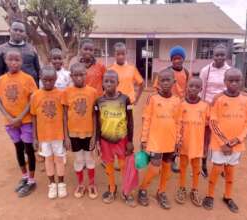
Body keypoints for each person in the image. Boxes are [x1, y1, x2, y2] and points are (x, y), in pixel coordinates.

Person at [202, 68, 247, 213]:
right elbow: (213, 122)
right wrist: (224, 143)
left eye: (237, 81)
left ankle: (228, 196)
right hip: (219, 145)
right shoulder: (218, 99)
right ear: (224, 82)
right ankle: (210, 195)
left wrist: (235, 141)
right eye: (230, 81)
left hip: (236, 145)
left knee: (230, 171)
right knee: (217, 169)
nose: (234, 84)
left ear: (242, 82)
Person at [0, 49, 37, 197]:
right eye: (10, 59)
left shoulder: (28, 79)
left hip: (25, 121)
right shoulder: (1, 80)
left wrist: (20, 117)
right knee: (18, 149)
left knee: (29, 150)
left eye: (17, 59)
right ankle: (24, 177)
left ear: (21, 61)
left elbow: (32, 100)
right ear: (5, 61)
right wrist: (11, 118)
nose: (14, 62)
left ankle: (32, 180)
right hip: (10, 123)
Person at [138, 68, 180, 210]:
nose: (165, 83)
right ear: (158, 82)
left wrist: (178, 141)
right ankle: (143, 189)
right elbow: (146, 119)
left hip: (170, 140)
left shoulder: (177, 101)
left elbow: (178, 122)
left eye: (168, 80)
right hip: (155, 139)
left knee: (167, 165)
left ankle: (161, 191)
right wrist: (143, 139)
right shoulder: (153, 99)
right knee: (155, 167)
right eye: (162, 80)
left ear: (174, 82)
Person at [94, 70, 135, 207]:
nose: (109, 83)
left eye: (112, 81)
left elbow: (130, 121)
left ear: (118, 83)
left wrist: (130, 141)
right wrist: (97, 141)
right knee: (109, 166)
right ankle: (112, 188)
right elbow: (97, 123)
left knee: (124, 166)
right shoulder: (99, 101)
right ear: (103, 84)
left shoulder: (125, 99)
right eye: (106, 81)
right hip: (105, 140)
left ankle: (126, 191)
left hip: (122, 140)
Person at [31, 66, 68, 199]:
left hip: (58, 135)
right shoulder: (35, 96)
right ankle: (52, 184)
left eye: (51, 80)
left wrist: (66, 136)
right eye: (45, 80)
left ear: (56, 79)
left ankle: (61, 184)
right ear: (40, 79)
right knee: (48, 159)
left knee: (59, 159)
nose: (48, 83)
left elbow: (64, 116)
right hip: (43, 136)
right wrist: (35, 137)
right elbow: (34, 117)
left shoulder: (61, 94)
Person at [62, 63, 98, 199]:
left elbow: (95, 116)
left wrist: (95, 136)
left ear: (85, 75)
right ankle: (81, 184)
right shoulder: (66, 92)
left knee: (89, 158)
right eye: (75, 75)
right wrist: (66, 136)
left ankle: (92, 184)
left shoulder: (93, 92)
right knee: (78, 159)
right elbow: (65, 116)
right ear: (71, 76)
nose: (78, 78)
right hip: (73, 134)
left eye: (81, 74)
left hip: (89, 133)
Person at [153, 45, 190, 173]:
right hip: (166, 106)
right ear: (171, 60)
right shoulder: (166, 72)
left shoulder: (186, 72)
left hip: (180, 107)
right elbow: (157, 88)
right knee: (164, 130)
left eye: (179, 58)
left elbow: (188, 88)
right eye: (174, 58)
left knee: (177, 133)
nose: (177, 61)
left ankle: (172, 159)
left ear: (183, 59)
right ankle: (159, 156)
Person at [175, 77, 209, 207]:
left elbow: (208, 127)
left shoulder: (205, 106)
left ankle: (194, 190)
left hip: (197, 144)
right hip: (184, 143)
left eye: (197, 87)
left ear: (201, 89)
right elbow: (177, 124)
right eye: (191, 86)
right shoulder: (181, 105)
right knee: (183, 167)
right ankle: (182, 188)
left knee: (196, 168)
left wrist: (206, 145)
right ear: (187, 87)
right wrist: (177, 140)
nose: (193, 89)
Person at [199, 44, 231, 177]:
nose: (219, 57)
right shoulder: (206, 70)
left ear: (226, 56)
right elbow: (201, 89)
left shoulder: (229, 71)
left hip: (223, 110)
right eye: (217, 55)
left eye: (222, 55)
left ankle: (222, 165)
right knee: (205, 138)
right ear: (213, 56)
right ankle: (204, 165)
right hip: (207, 108)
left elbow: (230, 90)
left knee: (222, 137)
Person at [0, 21, 40, 85]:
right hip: (11, 88)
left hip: (30, 87)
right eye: (15, 30)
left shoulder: (32, 49)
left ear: (25, 33)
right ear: (9, 30)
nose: (18, 33)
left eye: (21, 31)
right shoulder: (1, 49)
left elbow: (37, 70)